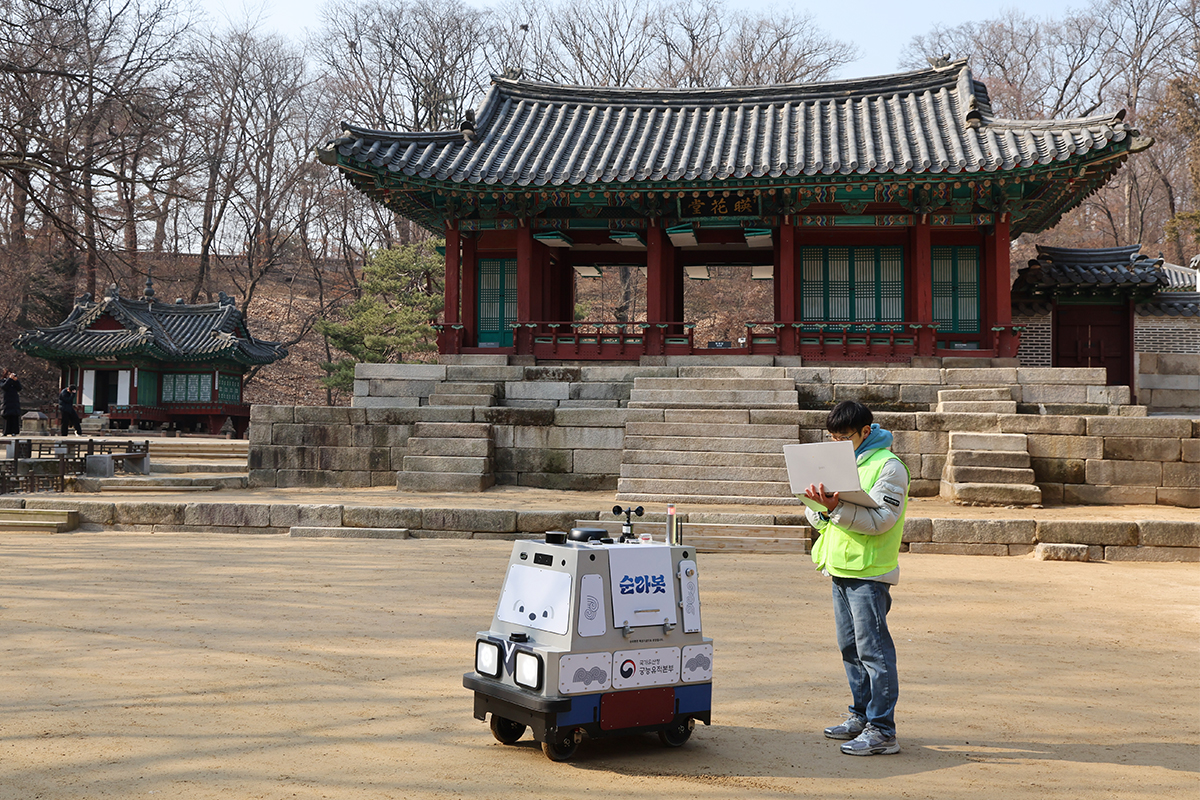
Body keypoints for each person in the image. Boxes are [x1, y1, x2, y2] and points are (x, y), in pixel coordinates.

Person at [803, 400, 909, 757]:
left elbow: (882, 522)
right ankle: (861, 715)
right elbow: (818, 518)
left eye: (843, 437)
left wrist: (836, 508)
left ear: (866, 432)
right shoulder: (839, 461)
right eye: (831, 437)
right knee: (850, 649)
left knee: (874, 652)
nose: (836, 444)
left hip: (870, 572)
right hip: (839, 567)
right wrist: (818, 505)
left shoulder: (889, 467)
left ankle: (882, 730)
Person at [0, 368, 22, 436]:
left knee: (14, 416)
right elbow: (4, 387)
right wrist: (9, 379)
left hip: (14, 401)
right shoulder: (2, 381)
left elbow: (19, 388)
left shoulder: (14, 382)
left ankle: (14, 431)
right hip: (6, 401)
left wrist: (16, 380)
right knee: (7, 416)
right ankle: (6, 431)